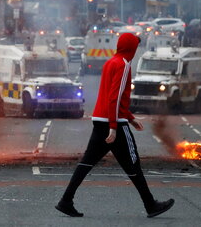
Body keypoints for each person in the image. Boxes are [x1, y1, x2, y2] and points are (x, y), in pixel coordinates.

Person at [55, 32, 175, 219]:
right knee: (133, 164)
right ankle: (150, 205)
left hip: (101, 120)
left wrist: (131, 118)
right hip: (115, 124)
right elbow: (115, 97)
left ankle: (65, 201)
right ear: (132, 49)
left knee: (86, 163)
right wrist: (114, 126)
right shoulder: (124, 64)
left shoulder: (110, 62)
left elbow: (110, 97)